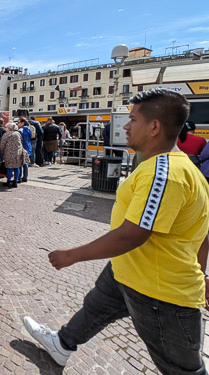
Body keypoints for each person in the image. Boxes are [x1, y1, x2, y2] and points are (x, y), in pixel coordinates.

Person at [23, 89, 209, 374]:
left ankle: (63, 342)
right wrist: (203, 272)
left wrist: (71, 255)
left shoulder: (163, 173)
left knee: (182, 368)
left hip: (159, 291)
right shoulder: (182, 167)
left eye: (133, 119)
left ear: (154, 126)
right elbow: (202, 231)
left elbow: (132, 234)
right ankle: (62, 344)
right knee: (94, 309)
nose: (124, 126)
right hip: (129, 271)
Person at [0, 122, 24, 188]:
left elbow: (2, 144)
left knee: (9, 167)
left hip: (8, 153)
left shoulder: (6, 134)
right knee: (17, 167)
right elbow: (21, 142)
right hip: (17, 153)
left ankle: (8, 181)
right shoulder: (18, 134)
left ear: (9, 128)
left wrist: (2, 152)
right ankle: (15, 181)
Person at [18, 117, 32, 183]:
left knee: (20, 163)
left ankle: (19, 177)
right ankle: (25, 177)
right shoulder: (28, 129)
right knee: (25, 163)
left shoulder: (21, 130)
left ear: (22, 123)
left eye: (18, 122)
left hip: (22, 147)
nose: (17, 124)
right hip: (28, 147)